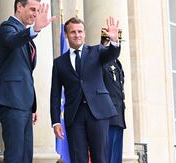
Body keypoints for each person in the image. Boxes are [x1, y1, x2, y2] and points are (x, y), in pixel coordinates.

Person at [0, 0, 55, 163]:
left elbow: (25, 72)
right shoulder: (7, 28)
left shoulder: (24, 33)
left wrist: (31, 105)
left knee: (25, 156)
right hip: (11, 101)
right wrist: (34, 30)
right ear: (19, 7)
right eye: (32, 9)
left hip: (23, 103)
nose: (35, 14)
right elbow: (13, 40)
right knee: (15, 155)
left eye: (38, 11)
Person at [50, 17, 120, 163]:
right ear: (66, 34)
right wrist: (56, 121)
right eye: (73, 32)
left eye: (80, 31)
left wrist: (114, 42)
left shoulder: (97, 51)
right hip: (74, 115)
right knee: (77, 158)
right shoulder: (59, 62)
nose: (77, 35)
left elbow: (112, 54)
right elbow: (55, 94)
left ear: (84, 33)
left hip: (98, 112)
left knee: (100, 157)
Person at [101, 30, 126, 163]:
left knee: (116, 156)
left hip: (119, 114)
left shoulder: (117, 63)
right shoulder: (101, 62)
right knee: (107, 155)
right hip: (107, 115)